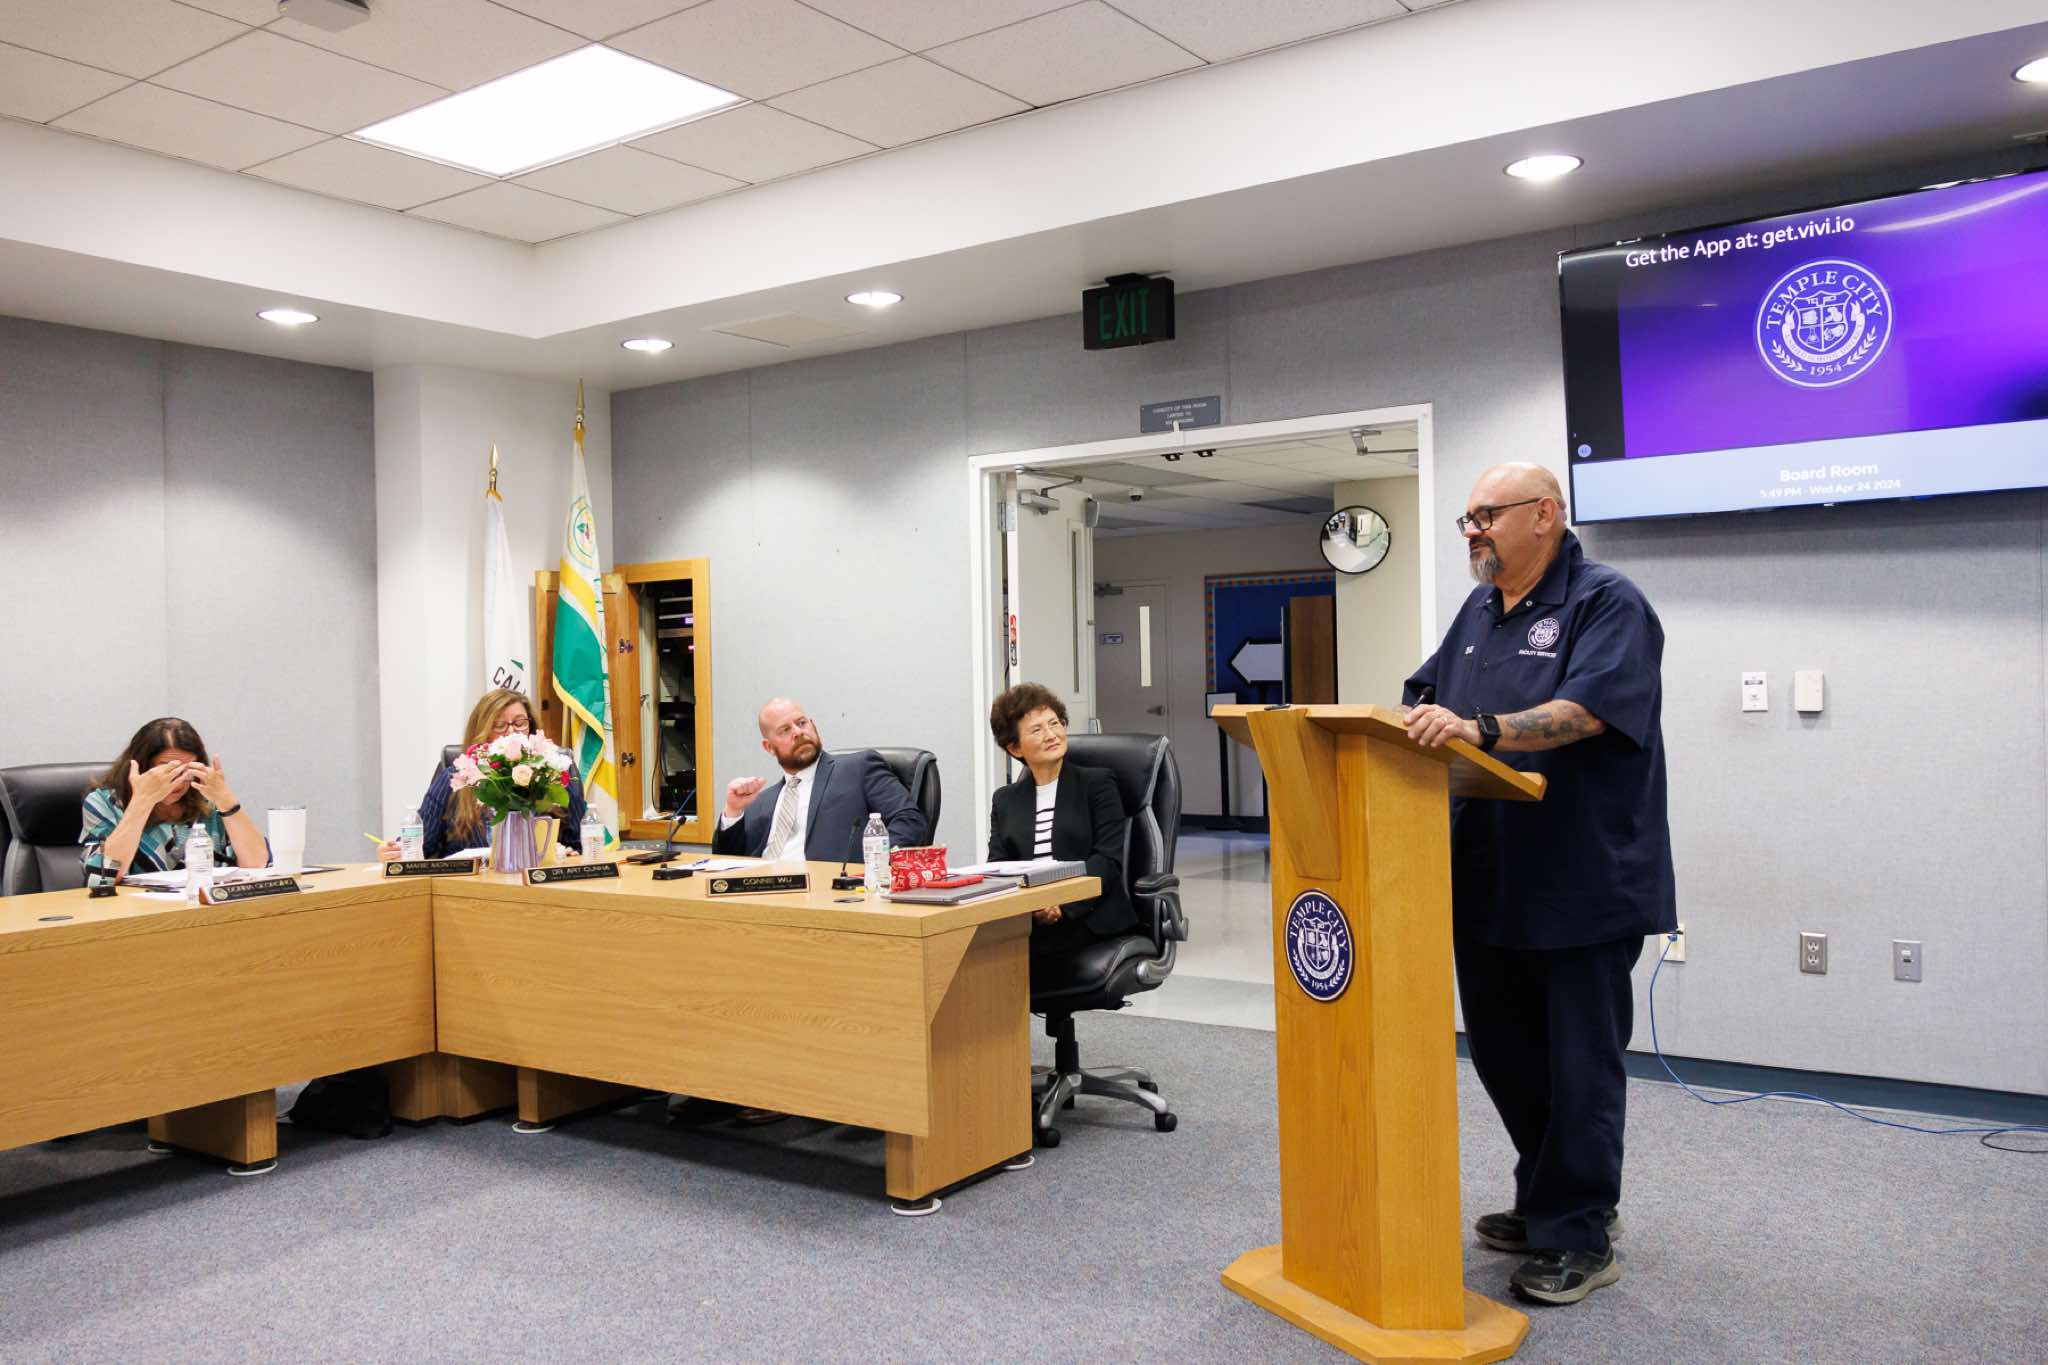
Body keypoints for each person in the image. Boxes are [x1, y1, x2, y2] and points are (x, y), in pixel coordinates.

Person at [1402, 462, 1674, 1307]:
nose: (1473, 530)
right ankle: (1547, 1195)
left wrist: (1479, 726)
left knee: (1578, 1066)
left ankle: (1580, 1232)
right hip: (1488, 878)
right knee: (1507, 1057)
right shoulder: (1480, 610)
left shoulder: (1607, 602)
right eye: (1467, 518)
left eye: (1486, 514)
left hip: (1582, 880)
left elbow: (1587, 711)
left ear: (1545, 514)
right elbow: (1425, 692)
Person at [985, 683, 1133, 985]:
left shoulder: (1098, 784)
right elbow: (999, 867)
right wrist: (1031, 908)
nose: (1052, 734)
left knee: (1004, 964)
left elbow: (1107, 861)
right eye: (1037, 729)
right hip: (1029, 917)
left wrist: (1062, 905)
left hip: (1087, 915)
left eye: (1055, 723)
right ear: (1015, 748)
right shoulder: (1005, 800)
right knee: (973, 954)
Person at [377, 689, 586, 862]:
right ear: (482, 731)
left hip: (540, 888)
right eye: (499, 725)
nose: (511, 732)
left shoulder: (553, 774)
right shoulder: (455, 779)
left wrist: (571, 854)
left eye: (520, 723)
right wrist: (395, 851)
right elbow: (421, 846)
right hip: (470, 890)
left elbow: (579, 845)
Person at [711, 698, 928, 861]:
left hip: (828, 893)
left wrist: (872, 867)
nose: (798, 732)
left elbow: (909, 819)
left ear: (812, 725)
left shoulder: (859, 768)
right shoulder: (761, 802)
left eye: (801, 723)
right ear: (769, 747)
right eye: (785, 730)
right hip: (762, 896)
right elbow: (727, 863)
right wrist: (733, 812)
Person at [81, 717, 270, 877]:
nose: (179, 782)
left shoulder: (206, 799)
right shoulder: (105, 802)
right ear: (142, 767)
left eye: (187, 770)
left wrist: (226, 800)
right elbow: (103, 875)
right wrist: (142, 802)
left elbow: (257, 864)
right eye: (169, 770)